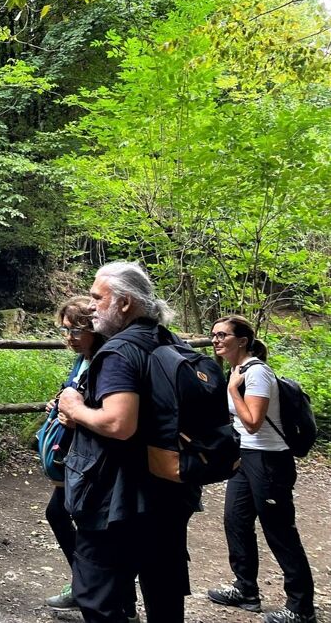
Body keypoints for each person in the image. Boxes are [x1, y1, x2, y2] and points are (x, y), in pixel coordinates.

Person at [59, 261, 201, 623]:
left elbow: (119, 423)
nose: (91, 306)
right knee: (163, 591)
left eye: (96, 297)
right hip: (170, 490)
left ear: (124, 303)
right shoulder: (170, 340)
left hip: (118, 497)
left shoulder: (120, 351)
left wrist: (76, 408)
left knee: (98, 597)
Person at [206, 315, 316, 623]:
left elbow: (253, 423)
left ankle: (301, 607)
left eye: (222, 335)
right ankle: (246, 590)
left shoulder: (256, 374)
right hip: (246, 458)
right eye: (213, 335)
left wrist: (232, 391)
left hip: (269, 461)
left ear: (242, 340)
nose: (215, 340)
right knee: (235, 521)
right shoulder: (237, 371)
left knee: (280, 531)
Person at [42, 296, 106, 612]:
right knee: (59, 513)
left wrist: (76, 413)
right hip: (74, 453)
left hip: (95, 457)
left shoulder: (106, 360)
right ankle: (84, 585)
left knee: (85, 523)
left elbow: (108, 412)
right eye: (66, 330)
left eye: (77, 330)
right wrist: (59, 405)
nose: (70, 338)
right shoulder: (81, 359)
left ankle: (105, 595)